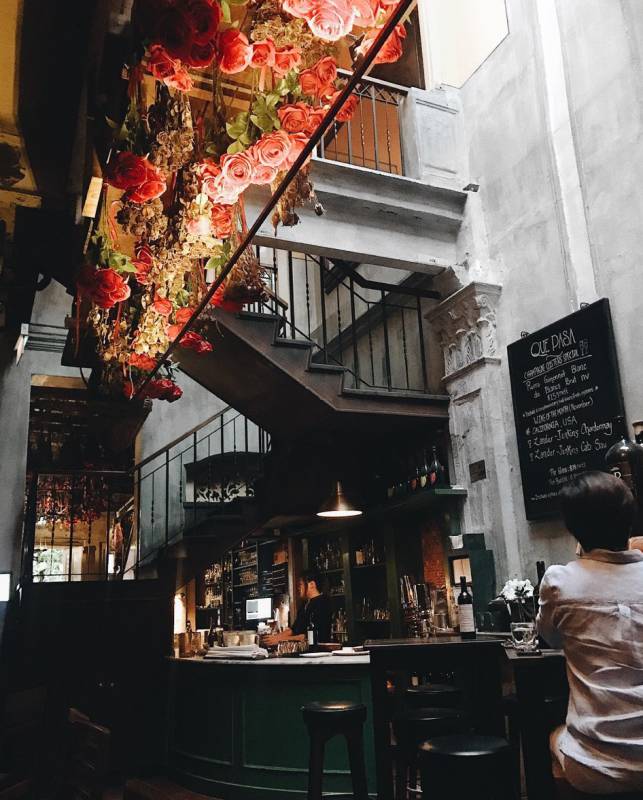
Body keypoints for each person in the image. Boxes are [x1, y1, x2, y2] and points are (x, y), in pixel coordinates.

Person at [537, 471, 643, 796]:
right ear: (629, 519)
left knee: (553, 738)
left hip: (597, 766)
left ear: (573, 530)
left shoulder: (560, 581)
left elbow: (550, 638)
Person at [262, 570, 331, 647]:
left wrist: (278, 640)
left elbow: (306, 637)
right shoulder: (305, 604)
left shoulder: (322, 604)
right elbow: (293, 630)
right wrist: (274, 638)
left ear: (312, 584)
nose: (298, 587)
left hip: (318, 652)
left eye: (300, 584)